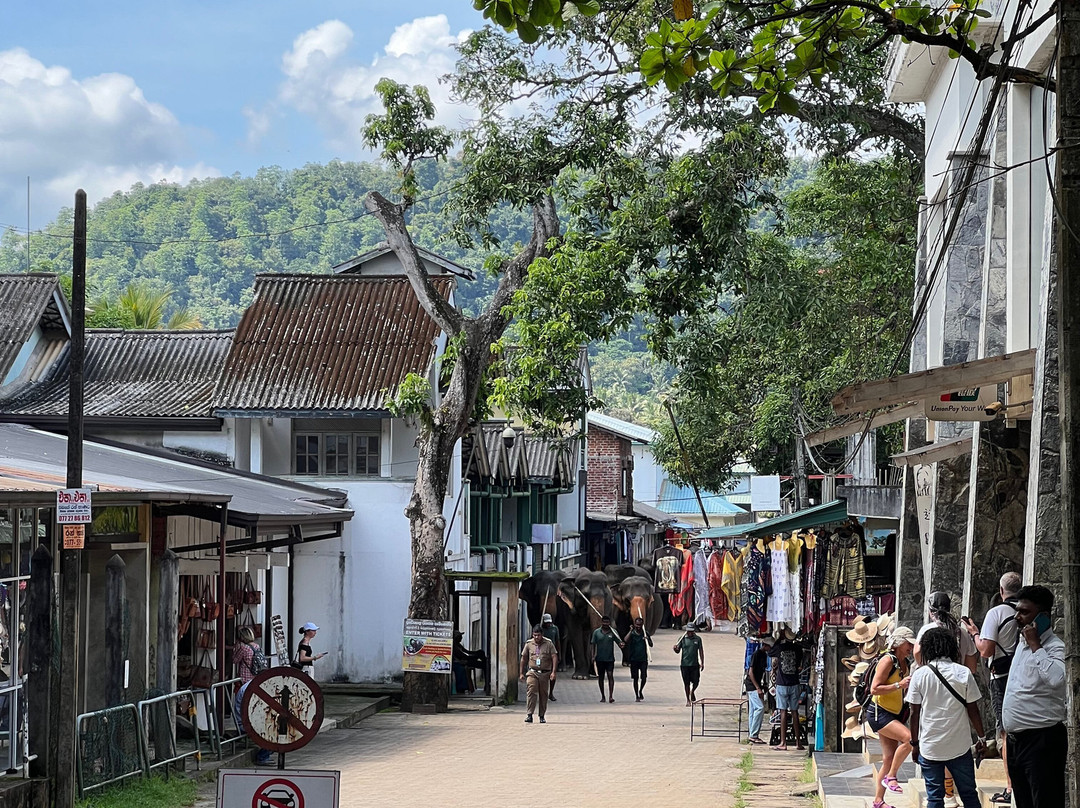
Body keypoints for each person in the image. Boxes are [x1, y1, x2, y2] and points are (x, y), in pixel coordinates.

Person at [1000, 584, 1066, 808]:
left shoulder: (1055, 647)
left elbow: (1056, 679)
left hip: (1042, 741)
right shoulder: (1021, 645)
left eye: (1024, 612)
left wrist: (1036, 644)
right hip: (1016, 742)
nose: (1017, 617)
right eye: (1017, 611)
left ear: (1043, 616)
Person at [908, 627, 986, 808]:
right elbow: (973, 710)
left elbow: (914, 713)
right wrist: (982, 738)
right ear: (951, 647)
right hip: (960, 746)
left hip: (930, 747)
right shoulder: (963, 672)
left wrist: (914, 744)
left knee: (934, 798)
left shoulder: (919, 675)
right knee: (969, 794)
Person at [963, 571, 1020, 804]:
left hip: (1002, 677)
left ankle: (1010, 787)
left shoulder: (997, 613)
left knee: (1005, 732)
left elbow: (986, 650)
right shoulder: (1026, 611)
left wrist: (975, 634)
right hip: (1023, 674)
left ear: (1001, 590)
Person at [867, 625, 915, 807]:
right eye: (908, 643)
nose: (911, 647)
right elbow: (874, 688)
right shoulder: (887, 660)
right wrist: (898, 685)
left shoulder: (906, 663)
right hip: (879, 712)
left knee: (888, 758)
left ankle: (878, 801)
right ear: (899, 643)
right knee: (910, 739)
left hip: (894, 713)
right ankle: (891, 777)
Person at [232, 627, 271, 765]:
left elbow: (234, 660)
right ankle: (263, 755)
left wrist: (235, 648)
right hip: (255, 679)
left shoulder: (243, 648)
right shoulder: (257, 647)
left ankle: (262, 755)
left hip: (245, 679)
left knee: (243, 703)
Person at [916, 591, 977, 672]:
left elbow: (917, 652)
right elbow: (972, 668)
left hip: (932, 675)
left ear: (930, 611)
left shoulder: (926, 630)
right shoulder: (963, 633)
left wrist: (925, 667)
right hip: (955, 677)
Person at [767, 629, 803, 751]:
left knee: (783, 712)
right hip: (795, 683)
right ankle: (798, 742)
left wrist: (778, 639)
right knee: (795, 712)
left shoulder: (780, 648)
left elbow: (770, 652)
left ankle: (783, 743)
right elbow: (799, 664)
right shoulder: (798, 648)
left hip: (782, 684)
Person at [519, 624, 558, 723]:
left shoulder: (548, 643)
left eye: (538, 635)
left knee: (543, 694)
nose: (536, 637)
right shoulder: (529, 644)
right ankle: (529, 714)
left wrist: (553, 672)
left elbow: (554, 657)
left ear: (542, 634)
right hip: (532, 671)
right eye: (535, 635)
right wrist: (521, 673)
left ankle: (541, 715)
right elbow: (523, 658)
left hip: (545, 673)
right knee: (531, 690)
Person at [744, 636, 772, 745]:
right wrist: (758, 688)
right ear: (765, 645)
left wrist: (763, 685)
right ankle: (754, 734)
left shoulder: (764, 655)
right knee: (760, 708)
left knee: (753, 710)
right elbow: (750, 672)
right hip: (751, 685)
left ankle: (752, 733)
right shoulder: (756, 654)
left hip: (757, 684)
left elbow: (763, 672)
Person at [590, 615, 624, 703]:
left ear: (610, 623)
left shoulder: (613, 632)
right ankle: (603, 696)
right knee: (601, 677)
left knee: (610, 675)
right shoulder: (596, 632)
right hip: (600, 658)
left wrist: (621, 645)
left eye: (607, 622)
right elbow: (593, 644)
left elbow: (619, 642)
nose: (605, 624)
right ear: (601, 622)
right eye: (604, 622)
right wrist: (593, 656)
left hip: (610, 659)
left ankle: (611, 696)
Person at [622, 616, 653, 702]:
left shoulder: (645, 633)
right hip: (634, 659)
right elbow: (625, 640)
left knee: (644, 678)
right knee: (635, 678)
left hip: (643, 659)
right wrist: (630, 630)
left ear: (642, 625)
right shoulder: (632, 633)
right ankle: (637, 695)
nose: (638, 626)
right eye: (637, 625)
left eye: (640, 625)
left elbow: (651, 645)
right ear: (634, 624)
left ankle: (641, 690)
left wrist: (647, 639)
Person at [674, 622, 704, 707]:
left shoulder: (698, 639)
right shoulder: (682, 638)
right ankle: (688, 699)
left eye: (691, 631)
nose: (690, 633)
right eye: (688, 631)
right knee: (686, 683)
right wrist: (675, 649)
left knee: (696, 681)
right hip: (685, 664)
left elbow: (701, 651)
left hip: (694, 664)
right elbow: (677, 651)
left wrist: (702, 662)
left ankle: (692, 691)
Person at [541, 613, 561, 701]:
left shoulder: (555, 629)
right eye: (546, 623)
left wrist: (559, 654)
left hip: (552, 654)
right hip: (542, 654)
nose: (548, 624)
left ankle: (551, 693)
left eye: (549, 623)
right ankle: (543, 692)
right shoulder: (540, 629)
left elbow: (557, 641)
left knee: (553, 674)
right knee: (542, 675)